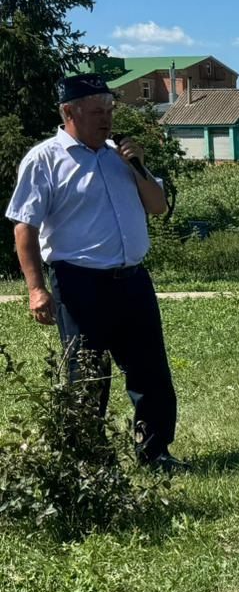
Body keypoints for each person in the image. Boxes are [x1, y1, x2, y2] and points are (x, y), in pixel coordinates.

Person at [5, 74, 182, 467]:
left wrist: (138, 167)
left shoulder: (121, 156)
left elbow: (158, 207)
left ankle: (155, 452)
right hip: (79, 283)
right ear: (69, 112)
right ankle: (90, 464)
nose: (106, 119)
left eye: (109, 110)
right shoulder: (45, 159)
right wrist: (36, 289)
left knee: (150, 372)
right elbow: (24, 227)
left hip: (132, 280)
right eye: (96, 111)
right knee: (88, 376)